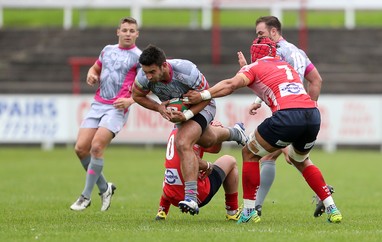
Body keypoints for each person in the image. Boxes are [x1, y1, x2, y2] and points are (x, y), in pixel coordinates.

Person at [183, 37, 343, 224]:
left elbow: (230, 85)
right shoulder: (285, 65)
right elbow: (272, 86)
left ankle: (250, 210)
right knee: (300, 160)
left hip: (288, 116)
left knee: (249, 153)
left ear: (254, 53)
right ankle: (332, 207)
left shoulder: (254, 67)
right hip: (312, 115)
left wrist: (203, 95)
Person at [131, 44, 247, 216]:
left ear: (164, 65)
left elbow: (207, 96)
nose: (148, 76)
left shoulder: (186, 71)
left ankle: (191, 197)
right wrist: (158, 108)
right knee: (208, 139)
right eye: (145, 72)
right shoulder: (143, 77)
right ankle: (236, 132)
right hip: (180, 112)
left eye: (152, 72)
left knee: (183, 141)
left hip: (203, 107)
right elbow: (136, 95)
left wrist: (186, 116)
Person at [237, 15, 333, 218]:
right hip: (301, 110)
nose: (259, 39)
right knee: (292, 157)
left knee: (266, 155)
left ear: (274, 32)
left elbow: (272, 78)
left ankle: (254, 208)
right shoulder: (297, 51)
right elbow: (316, 80)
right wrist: (309, 106)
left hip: (286, 110)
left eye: (261, 34)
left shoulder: (276, 52)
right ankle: (323, 196)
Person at [70, 17, 141, 211]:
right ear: (118, 32)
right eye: (124, 30)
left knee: (96, 146)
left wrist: (130, 100)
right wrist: (91, 75)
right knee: (80, 149)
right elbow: (95, 68)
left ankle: (85, 196)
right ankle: (104, 188)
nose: (128, 33)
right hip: (98, 104)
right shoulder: (107, 50)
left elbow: (149, 85)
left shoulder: (140, 57)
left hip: (117, 107)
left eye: (131, 30)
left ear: (137, 34)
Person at [155, 121, 241, 221]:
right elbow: (192, 162)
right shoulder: (192, 132)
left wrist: (217, 135)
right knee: (230, 160)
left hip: (171, 194)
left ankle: (162, 210)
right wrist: (208, 165)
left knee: (171, 171)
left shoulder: (176, 130)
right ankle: (232, 211)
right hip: (196, 194)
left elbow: (214, 150)